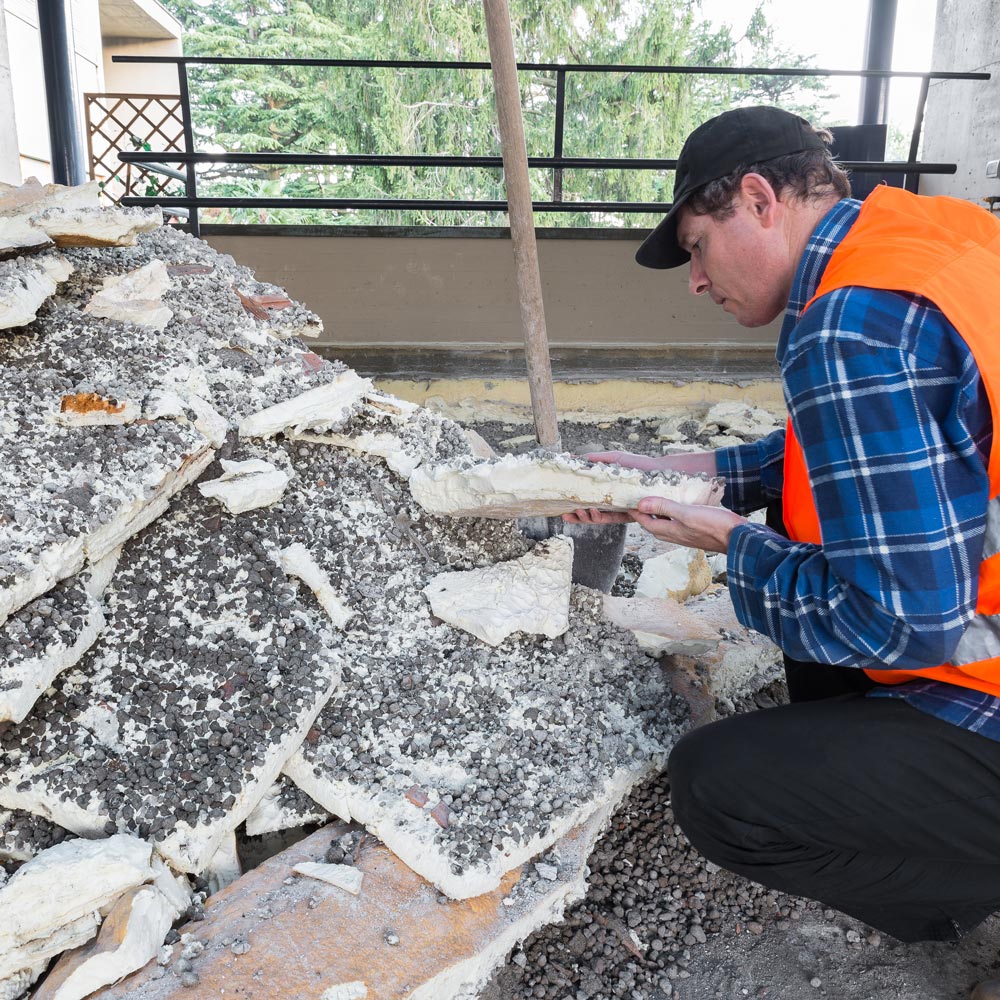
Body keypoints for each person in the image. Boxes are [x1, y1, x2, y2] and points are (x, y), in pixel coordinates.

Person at [564, 104, 1000, 981]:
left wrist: (730, 541)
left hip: (977, 665)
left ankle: (951, 892)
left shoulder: (846, 327)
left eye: (695, 246)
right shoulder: (936, 239)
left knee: (718, 790)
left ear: (759, 200)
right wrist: (696, 469)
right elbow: (884, 449)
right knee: (811, 633)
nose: (695, 279)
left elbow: (902, 625)